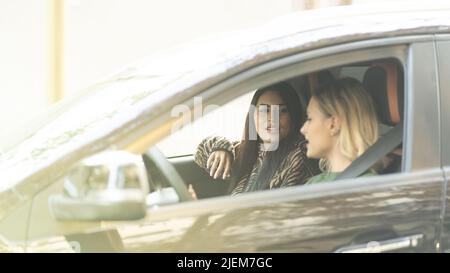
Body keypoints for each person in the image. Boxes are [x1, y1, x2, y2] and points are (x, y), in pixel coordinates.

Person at [194, 81, 320, 196]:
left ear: (293, 115)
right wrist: (221, 148)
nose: (272, 118)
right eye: (265, 110)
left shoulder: (298, 157)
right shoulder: (250, 150)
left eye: (282, 111)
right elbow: (200, 153)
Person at [300, 77, 379, 185]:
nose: (302, 129)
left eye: (309, 119)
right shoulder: (313, 183)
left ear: (333, 124)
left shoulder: (368, 186)